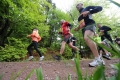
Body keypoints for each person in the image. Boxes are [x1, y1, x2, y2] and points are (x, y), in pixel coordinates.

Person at [74, 3, 104, 67]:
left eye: (78, 5)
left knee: (87, 38)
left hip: (90, 24)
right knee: (88, 41)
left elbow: (100, 7)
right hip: (84, 29)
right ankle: (98, 58)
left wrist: (89, 12)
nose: (77, 6)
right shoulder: (79, 16)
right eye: (76, 6)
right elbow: (82, 24)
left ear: (82, 4)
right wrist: (77, 28)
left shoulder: (87, 8)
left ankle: (98, 59)